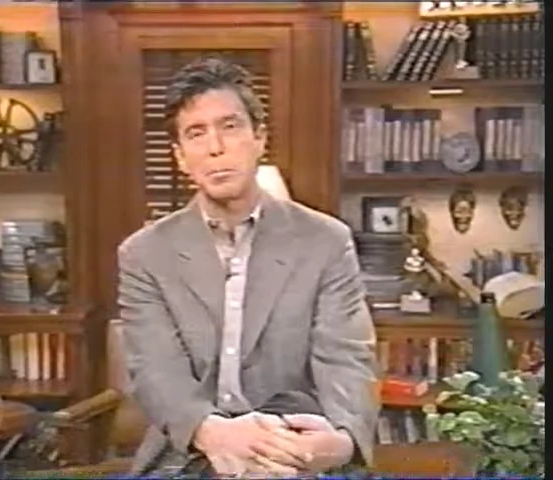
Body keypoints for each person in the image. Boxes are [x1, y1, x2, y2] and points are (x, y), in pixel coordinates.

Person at [117, 56, 379, 477]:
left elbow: (345, 359)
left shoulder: (325, 241)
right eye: (196, 133)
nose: (215, 147)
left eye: (230, 126)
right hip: (193, 451)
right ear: (180, 157)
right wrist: (214, 434)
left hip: (293, 442)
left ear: (259, 138)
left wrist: (342, 441)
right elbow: (156, 371)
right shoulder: (145, 254)